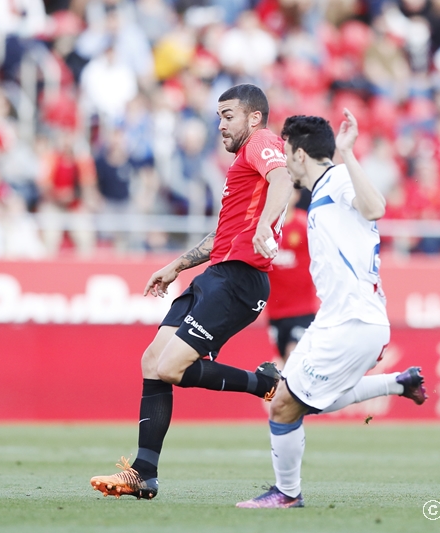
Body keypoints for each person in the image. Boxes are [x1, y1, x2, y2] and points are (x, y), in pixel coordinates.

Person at [90, 84, 295, 499]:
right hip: (216, 274)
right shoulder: (243, 162)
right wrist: (177, 266)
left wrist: (263, 225)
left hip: (239, 279)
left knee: (171, 367)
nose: (221, 125)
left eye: (228, 116)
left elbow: (283, 178)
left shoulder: (261, 143)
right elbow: (222, 234)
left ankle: (264, 383)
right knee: (153, 361)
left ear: (254, 117)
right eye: (219, 117)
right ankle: (143, 473)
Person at [236, 111, 427, 509]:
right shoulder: (323, 192)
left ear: (299, 154)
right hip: (337, 318)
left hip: (353, 320)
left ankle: (287, 494)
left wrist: (347, 154)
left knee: (285, 404)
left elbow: (375, 207)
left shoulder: (337, 178)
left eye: (286, 151)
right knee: (291, 398)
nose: (283, 160)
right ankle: (398, 383)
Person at [266, 188, 318, 366]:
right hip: (275, 311)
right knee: (283, 362)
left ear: (297, 196)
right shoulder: (265, 227)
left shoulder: (305, 225)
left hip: (302, 310)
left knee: (293, 356)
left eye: (291, 191)